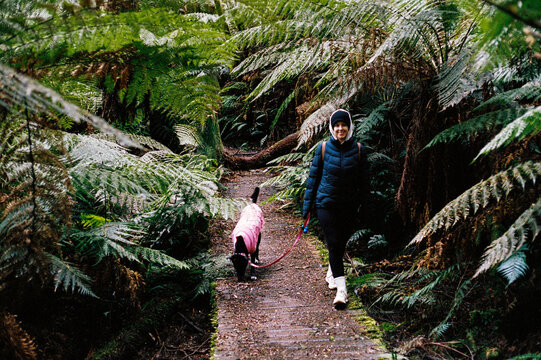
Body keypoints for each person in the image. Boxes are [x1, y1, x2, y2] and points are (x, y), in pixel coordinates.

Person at [302, 109, 369, 310]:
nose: (340, 128)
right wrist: (307, 208)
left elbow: (365, 183)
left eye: (343, 125)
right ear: (332, 128)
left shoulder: (358, 149)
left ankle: (332, 270)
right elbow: (313, 179)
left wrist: (365, 208)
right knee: (333, 243)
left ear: (349, 127)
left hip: (348, 206)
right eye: (336, 125)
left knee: (340, 244)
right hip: (326, 204)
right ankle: (342, 291)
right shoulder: (322, 149)